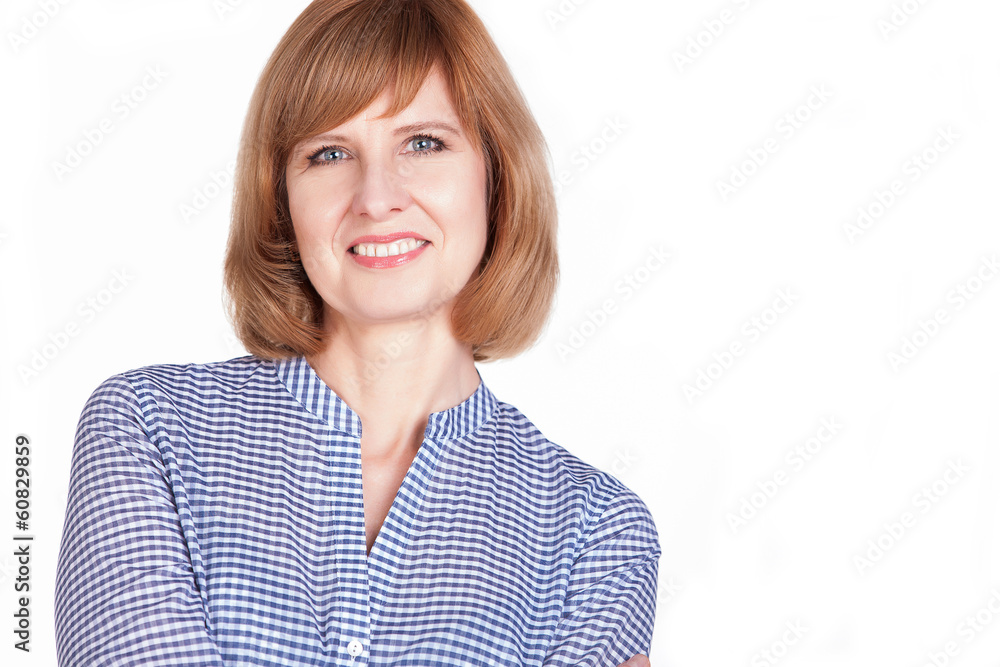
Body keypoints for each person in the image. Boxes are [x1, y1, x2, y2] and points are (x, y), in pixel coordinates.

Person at [54, 1, 661, 665]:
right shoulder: (148, 431)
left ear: (497, 177)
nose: (376, 198)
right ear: (282, 201)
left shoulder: (597, 534)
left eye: (423, 143)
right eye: (330, 153)